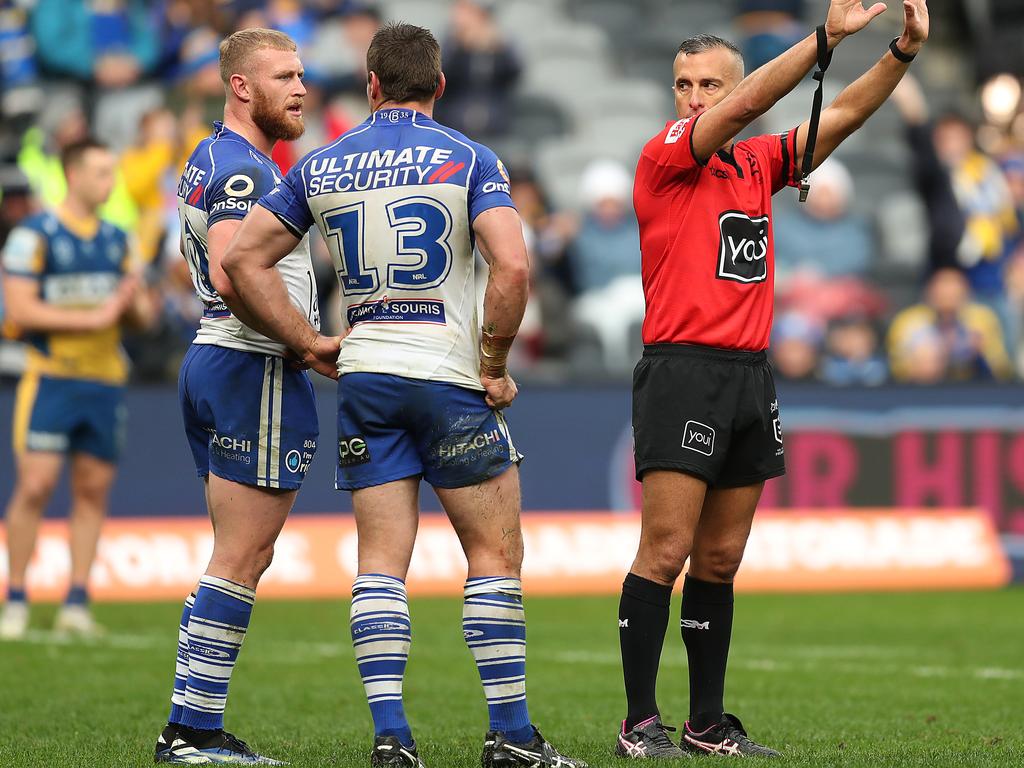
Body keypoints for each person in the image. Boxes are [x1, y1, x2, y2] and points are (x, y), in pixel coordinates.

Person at [222, 22, 586, 768]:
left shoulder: (322, 164)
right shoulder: (470, 157)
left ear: (371, 84)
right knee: (494, 552)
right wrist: (494, 361)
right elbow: (512, 268)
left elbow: (242, 260)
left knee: (381, 562)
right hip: (448, 378)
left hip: (365, 377)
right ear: (441, 85)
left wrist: (304, 339)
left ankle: (392, 739)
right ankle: (512, 739)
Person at [619, 0, 929, 758]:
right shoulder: (665, 157)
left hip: (749, 376)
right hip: (684, 369)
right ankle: (638, 723)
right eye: (684, 85)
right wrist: (824, 38)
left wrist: (901, 52)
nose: (695, 98)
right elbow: (759, 98)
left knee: (720, 559)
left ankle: (705, 724)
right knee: (665, 550)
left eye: (709, 85)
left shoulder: (757, 164)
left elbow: (846, 112)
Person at [152, 28, 334, 765]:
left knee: (236, 554)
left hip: (216, 361)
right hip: (252, 365)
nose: (300, 88)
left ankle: (188, 725)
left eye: (301, 74)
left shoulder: (212, 156)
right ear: (240, 86)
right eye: (284, 76)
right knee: (242, 554)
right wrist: (307, 341)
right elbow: (233, 272)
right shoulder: (241, 171)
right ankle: (193, 734)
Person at [0, 137, 151, 640]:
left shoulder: (118, 238)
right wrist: (101, 315)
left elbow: (144, 317)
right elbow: (20, 311)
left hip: (104, 380)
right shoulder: (33, 235)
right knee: (36, 486)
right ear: (72, 175)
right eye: (100, 173)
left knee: (91, 492)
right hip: (52, 378)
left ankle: (77, 600)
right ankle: (16, 597)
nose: (109, 182)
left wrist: (129, 305)